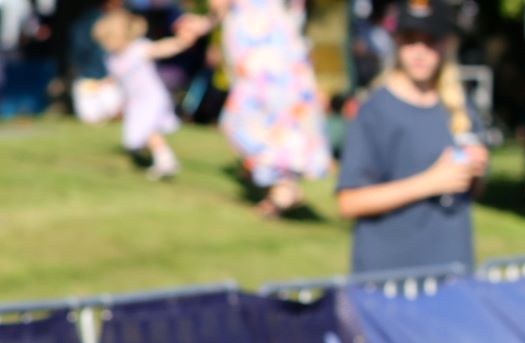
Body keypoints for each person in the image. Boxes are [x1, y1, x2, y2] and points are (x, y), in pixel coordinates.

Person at [335, 0, 485, 272]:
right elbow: (349, 202)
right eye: (410, 41)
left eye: (430, 42)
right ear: (397, 42)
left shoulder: (458, 107)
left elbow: (469, 191)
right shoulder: (373, 111)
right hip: (391, 279)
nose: (420, 52)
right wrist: (429, 182)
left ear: (445, 46)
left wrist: (474, 172)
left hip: (452, 272)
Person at [210, 0, 333, 216]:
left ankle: (281, 188)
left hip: (263, 57)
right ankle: (281, 186)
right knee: (282, 125)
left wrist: (208, 23)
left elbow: (218, 5)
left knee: (247, 123)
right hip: (280, 56)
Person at [97, 6, 207, 179]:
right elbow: (117, 77)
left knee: (145, 130)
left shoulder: (137, 49)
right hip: (135, 101)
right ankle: (161, 159)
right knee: (143, 133)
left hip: (150, 98)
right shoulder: (112, 58)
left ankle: (165, 160)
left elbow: (161, 48)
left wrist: (180, 42)